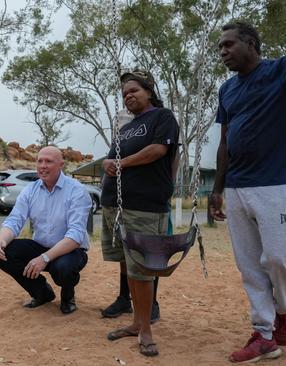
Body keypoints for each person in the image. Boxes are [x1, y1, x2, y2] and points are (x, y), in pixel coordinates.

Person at [210, 21, 286, 363]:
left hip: (278, 183)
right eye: (220, 47)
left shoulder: (283, 70)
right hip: (237, 187)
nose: (223, 52)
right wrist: (217, 188)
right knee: (249, 266)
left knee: (278, 258)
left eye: (229, 45)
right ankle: (263, 334)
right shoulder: (227, 90)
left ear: (251, 43)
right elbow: (225, 142)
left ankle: (284, 309)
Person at [102, 70, 179, 358]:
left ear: (148, 91)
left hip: (145, 206)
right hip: (116, 205)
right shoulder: (125, 127)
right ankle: (135, 322)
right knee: (128, 267)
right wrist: (110, 164)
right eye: (124, 94)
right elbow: (113, 158)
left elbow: (159, 150)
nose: (128, 96)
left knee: (143, 271)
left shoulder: (162, 117)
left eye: (134, 90)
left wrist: (121, 163)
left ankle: (146, 330)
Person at [0, 146, 91, 315]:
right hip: (40, 245)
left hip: (70, 250)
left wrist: (44, 258)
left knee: (63, 269)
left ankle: (68, 295)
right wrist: (2, 240)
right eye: (40, 161)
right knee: (0, 252)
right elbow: (15, 220)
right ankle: (42, 293)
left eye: (49, 161)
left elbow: (76, 236)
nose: (43, 165)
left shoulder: (77, 190)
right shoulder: (30, 190)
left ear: (61, 165)